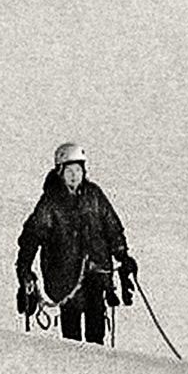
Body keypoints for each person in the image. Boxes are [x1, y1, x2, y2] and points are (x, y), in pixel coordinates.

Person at [16, 141, 136, 343]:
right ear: (60, 172)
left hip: (97, 272)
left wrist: (122, 254)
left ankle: (97, 367)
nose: (74, 175)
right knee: (71, 332)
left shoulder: (94, 195)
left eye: (78, 170)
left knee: (96, 327)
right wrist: (24, 268)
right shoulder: (51, 202)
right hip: (65, 278)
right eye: (70, 170)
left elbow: (112, 226)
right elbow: (32, 236)